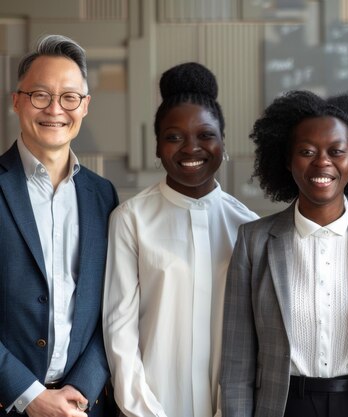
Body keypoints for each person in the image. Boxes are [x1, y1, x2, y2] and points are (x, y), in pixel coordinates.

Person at [220, 90, 348, 417]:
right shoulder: (254, 241)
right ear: (287, 160)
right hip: (283, 406)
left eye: (336, 151)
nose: (322, 162)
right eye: (307, 151)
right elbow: (237, 361)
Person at [102, 62, 257, 417]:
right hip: (150, 407)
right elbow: (118, 332)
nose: (191, 148)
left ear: (222, 142)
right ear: (157, 146)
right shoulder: (130, 220)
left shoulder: (247, 226)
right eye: (174, 137)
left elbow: (255, 336)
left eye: (205, 135)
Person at [0, 34, 119, 416]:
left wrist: (82, 389)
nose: (55, 109)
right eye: (40, 95)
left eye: (69, 97)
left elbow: (114, 308)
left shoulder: (103, 196)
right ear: (17, 100)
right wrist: (30, 395)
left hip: (84, 407)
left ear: (85, 107)